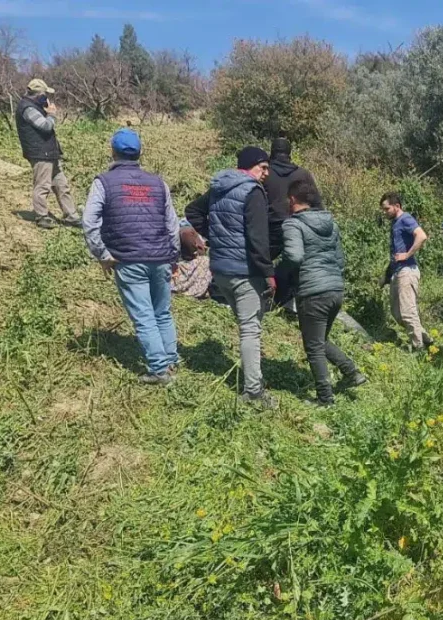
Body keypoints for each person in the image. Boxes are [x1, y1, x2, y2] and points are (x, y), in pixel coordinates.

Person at [81, 129, 181, 384]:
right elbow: (172, 225)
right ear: (140, 153)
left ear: (112, 152)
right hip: (160, 256)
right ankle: (171, 361)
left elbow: (89, 222)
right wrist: (174, 257)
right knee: (162, 312)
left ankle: (159, 370)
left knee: (144, 315)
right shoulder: (158, 183)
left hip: (128, 258)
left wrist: (102, 254)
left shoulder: (103, 182)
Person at [185, 146, 277, 407]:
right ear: (249, 166)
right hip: (244, 271)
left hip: (221, 269)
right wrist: (269, 273)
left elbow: (192, 211)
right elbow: (258, 239)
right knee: (250, 330)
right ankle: (253, 391)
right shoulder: (252, 192)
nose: (266, 173)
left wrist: (216, 237)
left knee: (246, 325)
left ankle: (252, 377)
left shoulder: (219, 187)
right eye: (263, 167)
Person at [282, 179, 367, 406]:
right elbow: (340, 260)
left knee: (313, 347)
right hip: (335, 289)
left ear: (292, 199)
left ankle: (325, 398)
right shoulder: (331, 224)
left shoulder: (293, 225)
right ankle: (352, 373)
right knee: (320, 340)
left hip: (312, 291)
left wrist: (281, 274)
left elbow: (294, 256)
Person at [15, 79, 79, 229]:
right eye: (45, 95)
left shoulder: (34, 106)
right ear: (38, 94)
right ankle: (42, 216)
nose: (47, 98)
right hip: (39, 153)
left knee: (61, 185)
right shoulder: (28, 108)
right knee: (43, 185)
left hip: (49, 152)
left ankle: (71, 215)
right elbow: (45, 126)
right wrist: (51, 114)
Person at [264, 137, 316, 312]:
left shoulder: (265, 173)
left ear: (272, 152)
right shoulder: (303, 174)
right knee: (296, 264)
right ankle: (289, 301)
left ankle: (262, 296)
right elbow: (316, 203)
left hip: (270, 227)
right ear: (289, 153)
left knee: (261, 261)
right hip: (298, 225)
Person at [380, 191, 432, 350]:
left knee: (408, 313)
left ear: (397, 206)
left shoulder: (405, 219)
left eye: (387, 209)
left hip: (407, 271)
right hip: (398, 272)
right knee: (397, 313)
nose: (384, 212)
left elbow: (421, 236)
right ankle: (425, 339)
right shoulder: (395, 223)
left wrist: (407, 254)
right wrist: (386, 276)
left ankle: (418, 349)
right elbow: (395, 254)